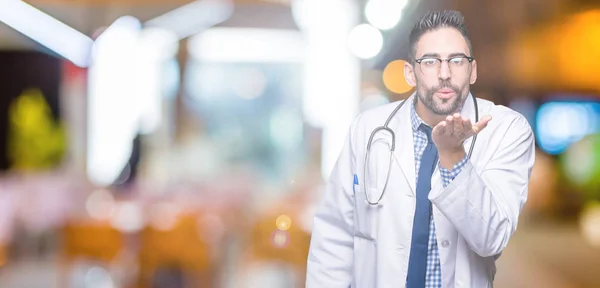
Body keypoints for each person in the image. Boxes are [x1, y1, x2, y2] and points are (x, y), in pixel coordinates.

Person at [305, 10, 535, 288]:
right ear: (410, 73)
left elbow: (492, 239)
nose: (445, 73)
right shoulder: (367, 129)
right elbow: (334, 236)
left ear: (472, 71)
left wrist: (454, 157)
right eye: (430, 61)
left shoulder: (507, 129)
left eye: (457, 60)